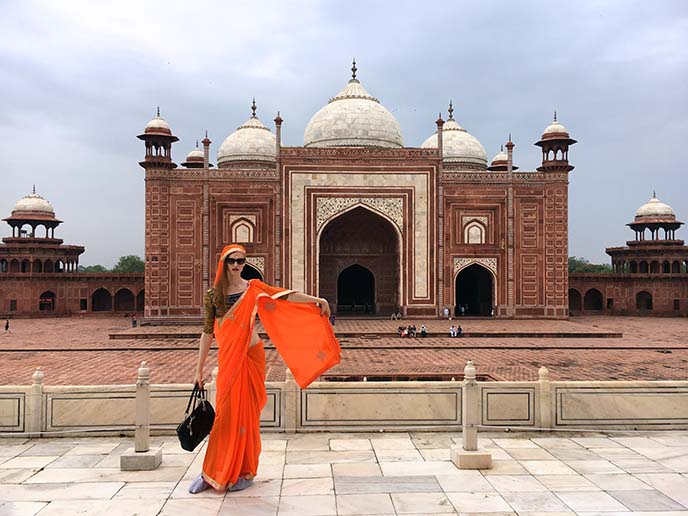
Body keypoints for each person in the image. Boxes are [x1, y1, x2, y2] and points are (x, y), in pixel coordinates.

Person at [189, 244, 340, 494]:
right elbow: (207, 333)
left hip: (251, 355)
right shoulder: (213, 295)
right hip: (229, 358)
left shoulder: (253, 288)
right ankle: (211, 473)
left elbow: (284, 296)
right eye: (232, 261)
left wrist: (317, 300)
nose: (237, 265)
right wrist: (198, 370)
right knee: (224, 417)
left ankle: (245, 470)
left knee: (245, 416)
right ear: (223, 263)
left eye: (241, 261)